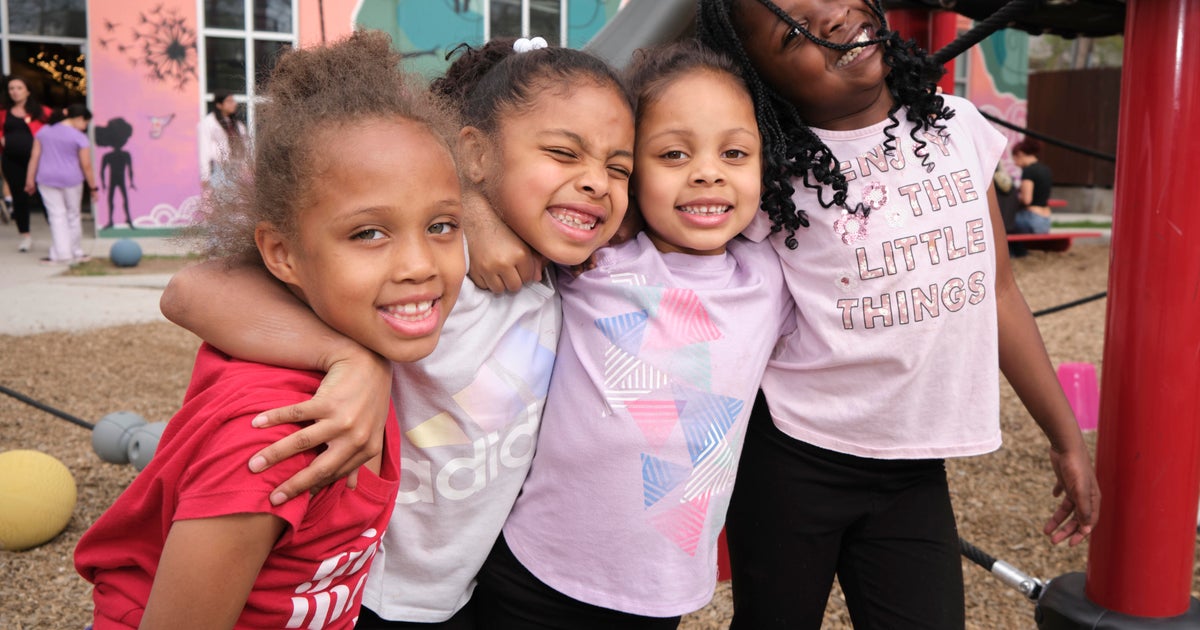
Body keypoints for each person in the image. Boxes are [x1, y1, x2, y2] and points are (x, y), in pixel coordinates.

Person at [158, 37, 635, 628]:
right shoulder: (441, 267)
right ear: (475, 154)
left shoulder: (575, 271)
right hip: (363, 591)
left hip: (459, 593)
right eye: (564, 153)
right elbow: (188, 290)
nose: (597, 182)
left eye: (619, 168)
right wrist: (349, 357)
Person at [695, 1, 1101, 628]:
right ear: (760, 78)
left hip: (913, 468)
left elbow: (999, 292)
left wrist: (1065, 437)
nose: (833, 16)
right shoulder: (766, 173)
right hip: (794, 458)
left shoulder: (956, 126)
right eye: (793, 31)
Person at [74, 31, 466, 629]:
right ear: (281, 254)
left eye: (441, 226)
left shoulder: (363, 341)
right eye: (368, 233)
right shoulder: (274, 442)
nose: (419, 265)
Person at [468, 41, 793, 629]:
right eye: (673, 154)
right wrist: (476, 217)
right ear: (634, 171)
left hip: (663, 592)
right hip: (534, 573)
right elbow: (469, 183)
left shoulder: (770, 276)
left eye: (735, 153)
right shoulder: (594, 260)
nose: (708, 172)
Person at [24, 104, 98, 265]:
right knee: (73, 215)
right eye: (85, 123)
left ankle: (61, 254)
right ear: (79, 118)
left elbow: (34, 157)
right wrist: (93, 187)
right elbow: (86, 165)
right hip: (72, 179)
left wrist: (29, 179)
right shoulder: (79, 137)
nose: (85, 127)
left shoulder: (43, 131)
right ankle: (76, 251)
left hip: (46, 179)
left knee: (56, 216)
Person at [1, 75, 52, 252]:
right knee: (19, 198)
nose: (15, 92)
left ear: (28, 91)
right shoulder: (4, 112)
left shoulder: (42, 111)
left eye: (19, 88)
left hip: (38, 161)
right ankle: (25, 236)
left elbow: (58, 129)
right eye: (11, 88)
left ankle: (58, 234)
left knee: (45, 197)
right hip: (11, 161)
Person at [198, 89, 248, 189]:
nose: (234, 104)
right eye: (229, 101)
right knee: (220, 197)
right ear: (219, 105)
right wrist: (205, 176)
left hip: (237, 169)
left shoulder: (238, 125)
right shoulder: (209, 123)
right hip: (218, 170)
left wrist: (246, 166)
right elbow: (204, 150)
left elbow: (245, 146)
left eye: (233, 101)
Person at [1010, 137, 1054, 237]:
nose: (1015, 163)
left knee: (1004, 226)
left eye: (1014, 158)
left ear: (1020, 154)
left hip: (1031, 219)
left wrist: (1014, 196)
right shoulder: (1046, 170)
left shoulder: (1028, 171)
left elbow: (1027, 200)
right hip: (1046, 220)